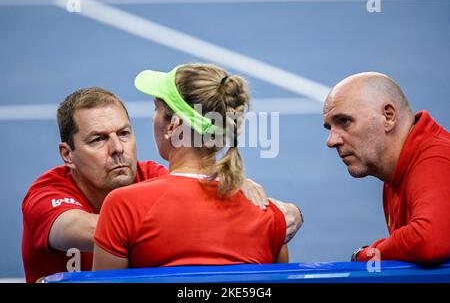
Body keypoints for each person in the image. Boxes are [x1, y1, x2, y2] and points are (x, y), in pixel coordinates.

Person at [22, 87, 302, 283]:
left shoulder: (150, 178)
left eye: (124, 133)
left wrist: (290, 212)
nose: (118, 148)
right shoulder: (46, 194)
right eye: (98, 139)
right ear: (67, 154)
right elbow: (93, 228)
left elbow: (190, 196)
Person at [92, 63, 289, 270]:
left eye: (156, 109)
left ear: (173, 126)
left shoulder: (123, 206)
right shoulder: (269, 216)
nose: (153, 117)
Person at [323, 72, 450, 264]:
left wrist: (366, 254)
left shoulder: (436, 158)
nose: (331, 141)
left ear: (388, 116)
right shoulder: (393, 174)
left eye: (345, 122)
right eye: (330, 127)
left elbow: (429, 239)